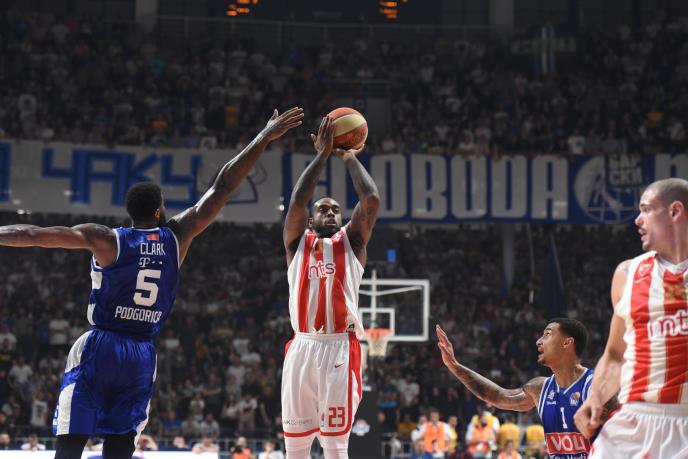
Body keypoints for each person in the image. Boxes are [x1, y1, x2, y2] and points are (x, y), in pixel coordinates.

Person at [0, 107, 304, 459]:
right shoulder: (177, 237)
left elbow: (32, 234)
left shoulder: (107, 239)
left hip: (101, 345)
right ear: (159, 211)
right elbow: (222, 186)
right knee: (120, 444)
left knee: (71, 441)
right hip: (141, 353)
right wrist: (263, 137)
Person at [280, 115, 380, 459]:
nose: (331, 213)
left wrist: (348, 156)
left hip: (340, 347)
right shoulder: (297, 243)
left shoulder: (352, 243)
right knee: (295, 450)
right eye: (323, 209)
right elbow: (297, 202)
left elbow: (371, 200)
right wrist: (322, 155)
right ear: (311, 220)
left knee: (336, 449)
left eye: (336, 210)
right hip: (301, 346)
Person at [574, 178, 688, 458]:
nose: (637, 220)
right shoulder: (628, 274)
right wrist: (595, 397)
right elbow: (615, 356)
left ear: (675, 211)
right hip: (635, 421)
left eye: (646, 209)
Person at [437, 319, 616, 459]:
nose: (538, 341)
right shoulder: (539, 388)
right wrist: (455, 366)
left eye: (547, 334)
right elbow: (497, 396)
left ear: (566, 343)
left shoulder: (596, 386)